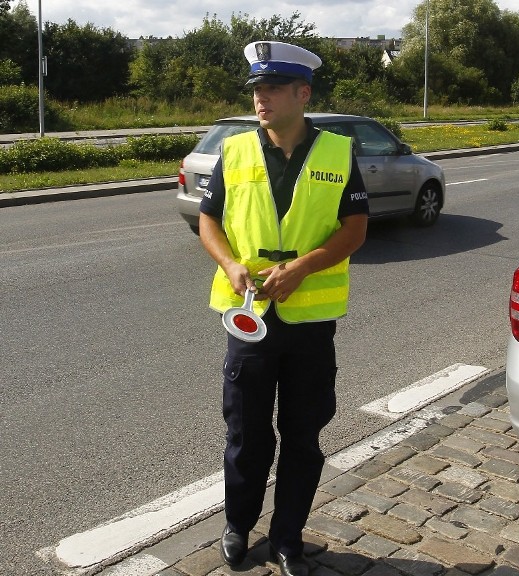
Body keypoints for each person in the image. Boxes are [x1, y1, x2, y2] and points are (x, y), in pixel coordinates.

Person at [198, 41, 369, 576]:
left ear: (302, 93)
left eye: (272, 88)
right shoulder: (235, 151)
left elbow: (355, 229)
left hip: (310, 325)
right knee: (246, 433)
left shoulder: (339, 152)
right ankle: (237, 526)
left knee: (302, 436)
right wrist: (228, 263)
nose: (261, 98)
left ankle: (287, 538)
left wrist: (303, 267)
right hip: (248, 318)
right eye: (256, 89)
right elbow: (209, 221)